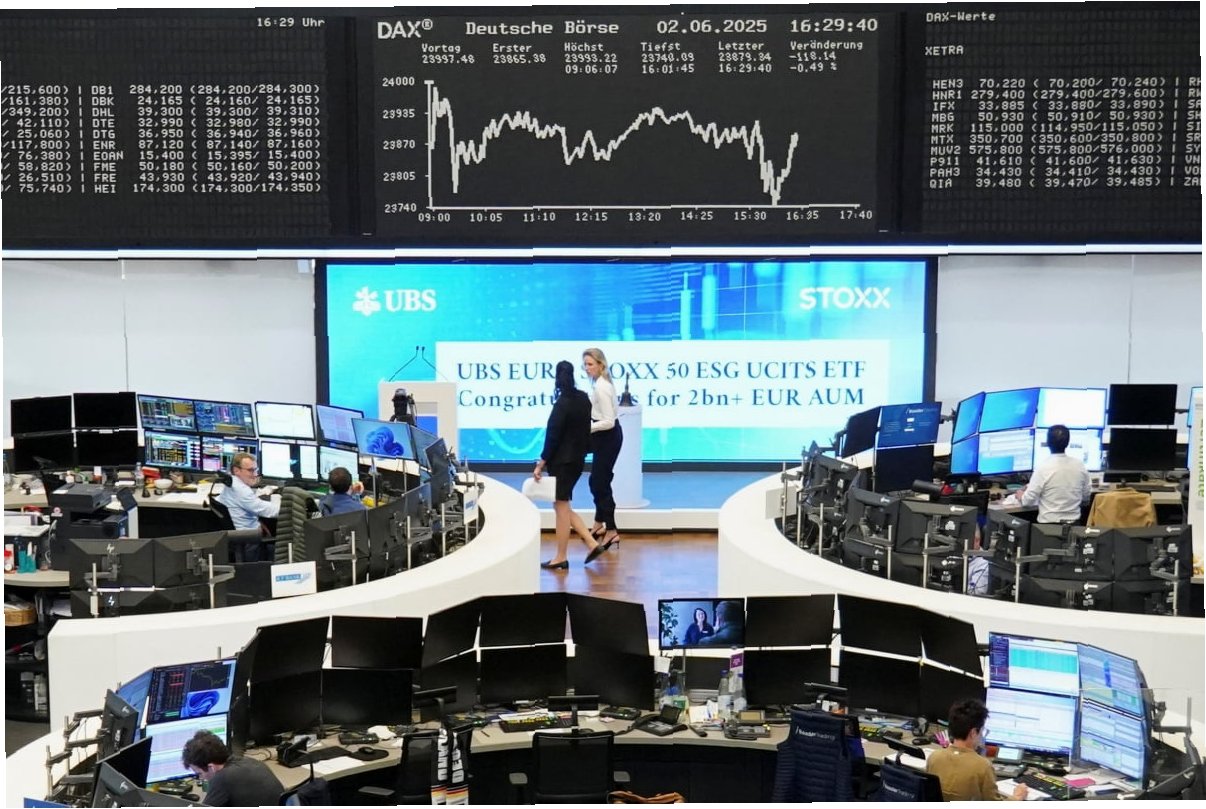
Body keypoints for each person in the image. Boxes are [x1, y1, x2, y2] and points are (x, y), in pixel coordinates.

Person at [534, 360, 604, 569]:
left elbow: (552, 437)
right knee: (562, 505)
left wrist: (541, 463)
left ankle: (561, 557)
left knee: (561, 507)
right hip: (577, 460)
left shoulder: (561, 404)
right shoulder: (583, 398)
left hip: (562, 463)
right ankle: (591, 544)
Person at [926, 699, 1028, 801]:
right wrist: (1017, 797)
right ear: (973, 733)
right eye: (983, 730)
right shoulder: (983, 766)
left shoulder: (934, 757)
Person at [181, 729, 284, 807]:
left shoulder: (222, 779)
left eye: (199, 773)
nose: (201, 778)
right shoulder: (250, 761)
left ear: (211, 767)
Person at [583, 347, 623, 550]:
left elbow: (608, 421)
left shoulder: (602, 387)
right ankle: (599, 523)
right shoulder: (600, 384)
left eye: (590, 364)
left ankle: (612, 530)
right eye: (585, 364)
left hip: (608, 437)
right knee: (597, 480)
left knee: (600, 482)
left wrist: (586, 428)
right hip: (603, 437)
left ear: (601, 365)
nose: (587, 368)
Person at [1014, 424, 1091, 523]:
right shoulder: (1080, 465)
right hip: (1075, 525)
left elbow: (1027, 501)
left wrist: (1020, 495)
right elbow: (1086, 496)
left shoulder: (1042, 468)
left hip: (1048, 528)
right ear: (1068, 442)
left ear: (1048, 443)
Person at [216, 452, 278, 560]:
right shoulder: (242, 491)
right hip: (249, 541)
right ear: (236, 470)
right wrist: (290, 506)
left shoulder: (232, 483)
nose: (255, 474)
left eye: (256, 470)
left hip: (239, 537)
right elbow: (269, 511)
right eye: (251, 470)